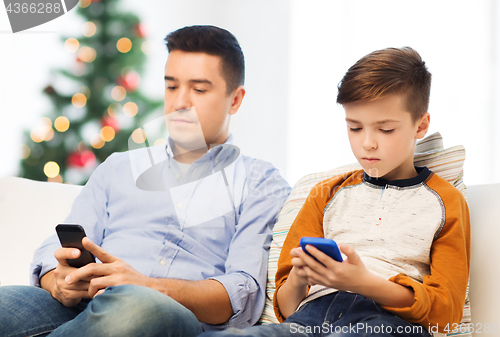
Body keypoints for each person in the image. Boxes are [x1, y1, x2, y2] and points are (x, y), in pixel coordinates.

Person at [0, 25, 290, 337]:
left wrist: (148, 286)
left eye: (199, 90)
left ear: (235, 100)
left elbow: (242, 294)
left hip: (166, 315)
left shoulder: (261, 181)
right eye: (171, 86)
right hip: (84, 307)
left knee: (138, 307)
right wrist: (58, 279)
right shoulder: (119, 167)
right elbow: (57, 248)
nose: (180, 102)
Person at [199, 47, 470, 337]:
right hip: (308, 320)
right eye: (354, 127)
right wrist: (300, 278)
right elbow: (286, 307)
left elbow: (446, 311)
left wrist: (364, 282)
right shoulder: (326, 194)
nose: (367, 143)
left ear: (421, 125)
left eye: (386, 129)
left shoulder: (446, 201)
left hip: (387, 325)